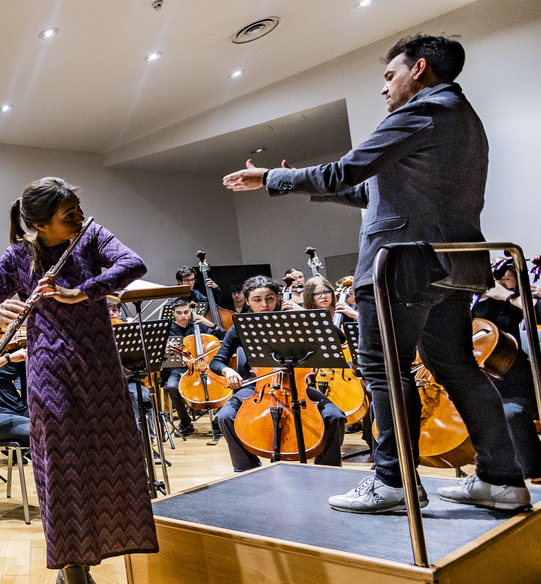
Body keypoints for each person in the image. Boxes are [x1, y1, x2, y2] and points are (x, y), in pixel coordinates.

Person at [224, 33, 531, 512]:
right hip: (449, 264)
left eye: (390, 76)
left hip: (403, 264)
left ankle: (392, 482)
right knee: (458, 370)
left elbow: (345, 171)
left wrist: (272, 179)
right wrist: (305, 185)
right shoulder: (462, 119)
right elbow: (372, 192)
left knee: (384, 372)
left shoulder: (420, 112)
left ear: (420, 69)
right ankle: (501, 479)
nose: (385, 88)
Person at [0, 177, 156, 584]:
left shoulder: (89, 237)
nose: (78, 215)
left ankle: (81, 579)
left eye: (77, 207)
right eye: (68, 211)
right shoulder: (16, 259)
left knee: (102, 472)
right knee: (66, 477)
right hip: (51, 374)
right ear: (40, 222)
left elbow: (134, 264)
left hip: (100, 370)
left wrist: (84, 291)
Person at [209, 276, 347, 472]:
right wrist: (227, 370)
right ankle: (247, 469)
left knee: (335, 416)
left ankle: (328, 469)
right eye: (257, 299)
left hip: (298, 386)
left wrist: (304, 312)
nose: (264, 304)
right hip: (258, 388)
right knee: (225, 416)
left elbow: (339, 337)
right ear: (247, 300)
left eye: (270, 298)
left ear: (278, 298)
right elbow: (216, 361)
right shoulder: (240, 326)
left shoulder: (296, 319)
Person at [472, 262, 541, 483]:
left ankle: (535, 468)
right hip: (480, 382)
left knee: (509, 413)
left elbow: (537, 313)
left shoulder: (516, 303)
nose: (497, 285)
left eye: (505, 280)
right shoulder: (474, 305)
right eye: (494, 280)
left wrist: (507, 295)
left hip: (515, 382)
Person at [163, 298, 223, 437]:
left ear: (190, 311)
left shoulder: (199, 325)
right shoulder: (168, 330)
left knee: (223, 384)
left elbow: (225, 337)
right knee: (172, 387)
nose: (183, 316)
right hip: (179, 368)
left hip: (204, 365)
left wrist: (212, 325)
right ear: (173, 313)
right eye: (179, 313)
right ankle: (186, 423)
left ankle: (218, 421)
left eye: (186, 312)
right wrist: (177, 357)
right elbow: (162, 352)